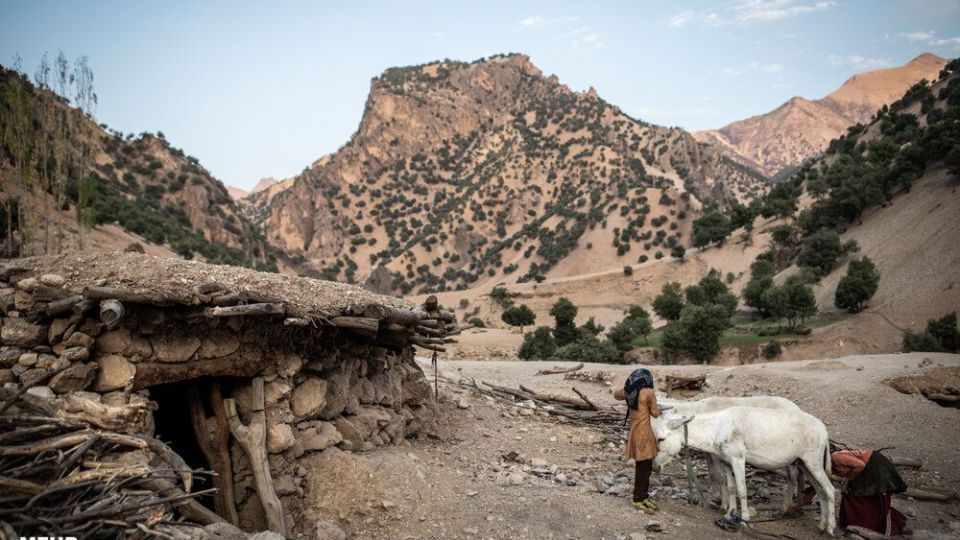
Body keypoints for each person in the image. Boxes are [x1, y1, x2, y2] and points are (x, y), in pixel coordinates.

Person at [613, 369, 660, 513]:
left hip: (634, 433)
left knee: (643, 466)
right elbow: (655, 413)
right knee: (644, 468)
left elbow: (616, 395)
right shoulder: (648, 392)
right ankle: (638, 498)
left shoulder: (628, 391)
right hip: (644, 434)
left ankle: (643, 496)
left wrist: (628, 388)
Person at [831, 448, 908, 536]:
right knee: (851, 493)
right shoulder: (831, 463)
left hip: (874, 465)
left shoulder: (836, 457)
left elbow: (860, 465)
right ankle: (856, 524)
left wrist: (848, 478)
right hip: (866, 468)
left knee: (873, 494)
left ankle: (876, 525)